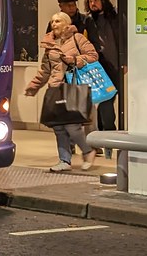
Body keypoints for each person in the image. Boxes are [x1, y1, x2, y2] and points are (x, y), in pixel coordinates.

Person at [25, 11, 99, 172]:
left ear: (66, 23)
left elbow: (93, 56)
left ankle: (88, 151)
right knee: (58, 127)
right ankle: (64, 161)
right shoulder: (49, 44)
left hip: (72, 87)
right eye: (52, 21)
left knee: (72, 125)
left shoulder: (77, 38)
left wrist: (75, 60)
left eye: (58, 21)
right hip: (55, 88)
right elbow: (45, 70)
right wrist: (34, 85)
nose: (54, 24)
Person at [85, 0, 126, 154]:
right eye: (90, 1)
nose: (93, 4)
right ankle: (108, 134)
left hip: (114, 64)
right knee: (105, 100)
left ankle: (107, 135)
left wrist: (124, 62)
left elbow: (123, 39)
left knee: (109, 99)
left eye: (96, 0)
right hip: (98, 66)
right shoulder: (88, 20)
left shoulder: (114, 17)